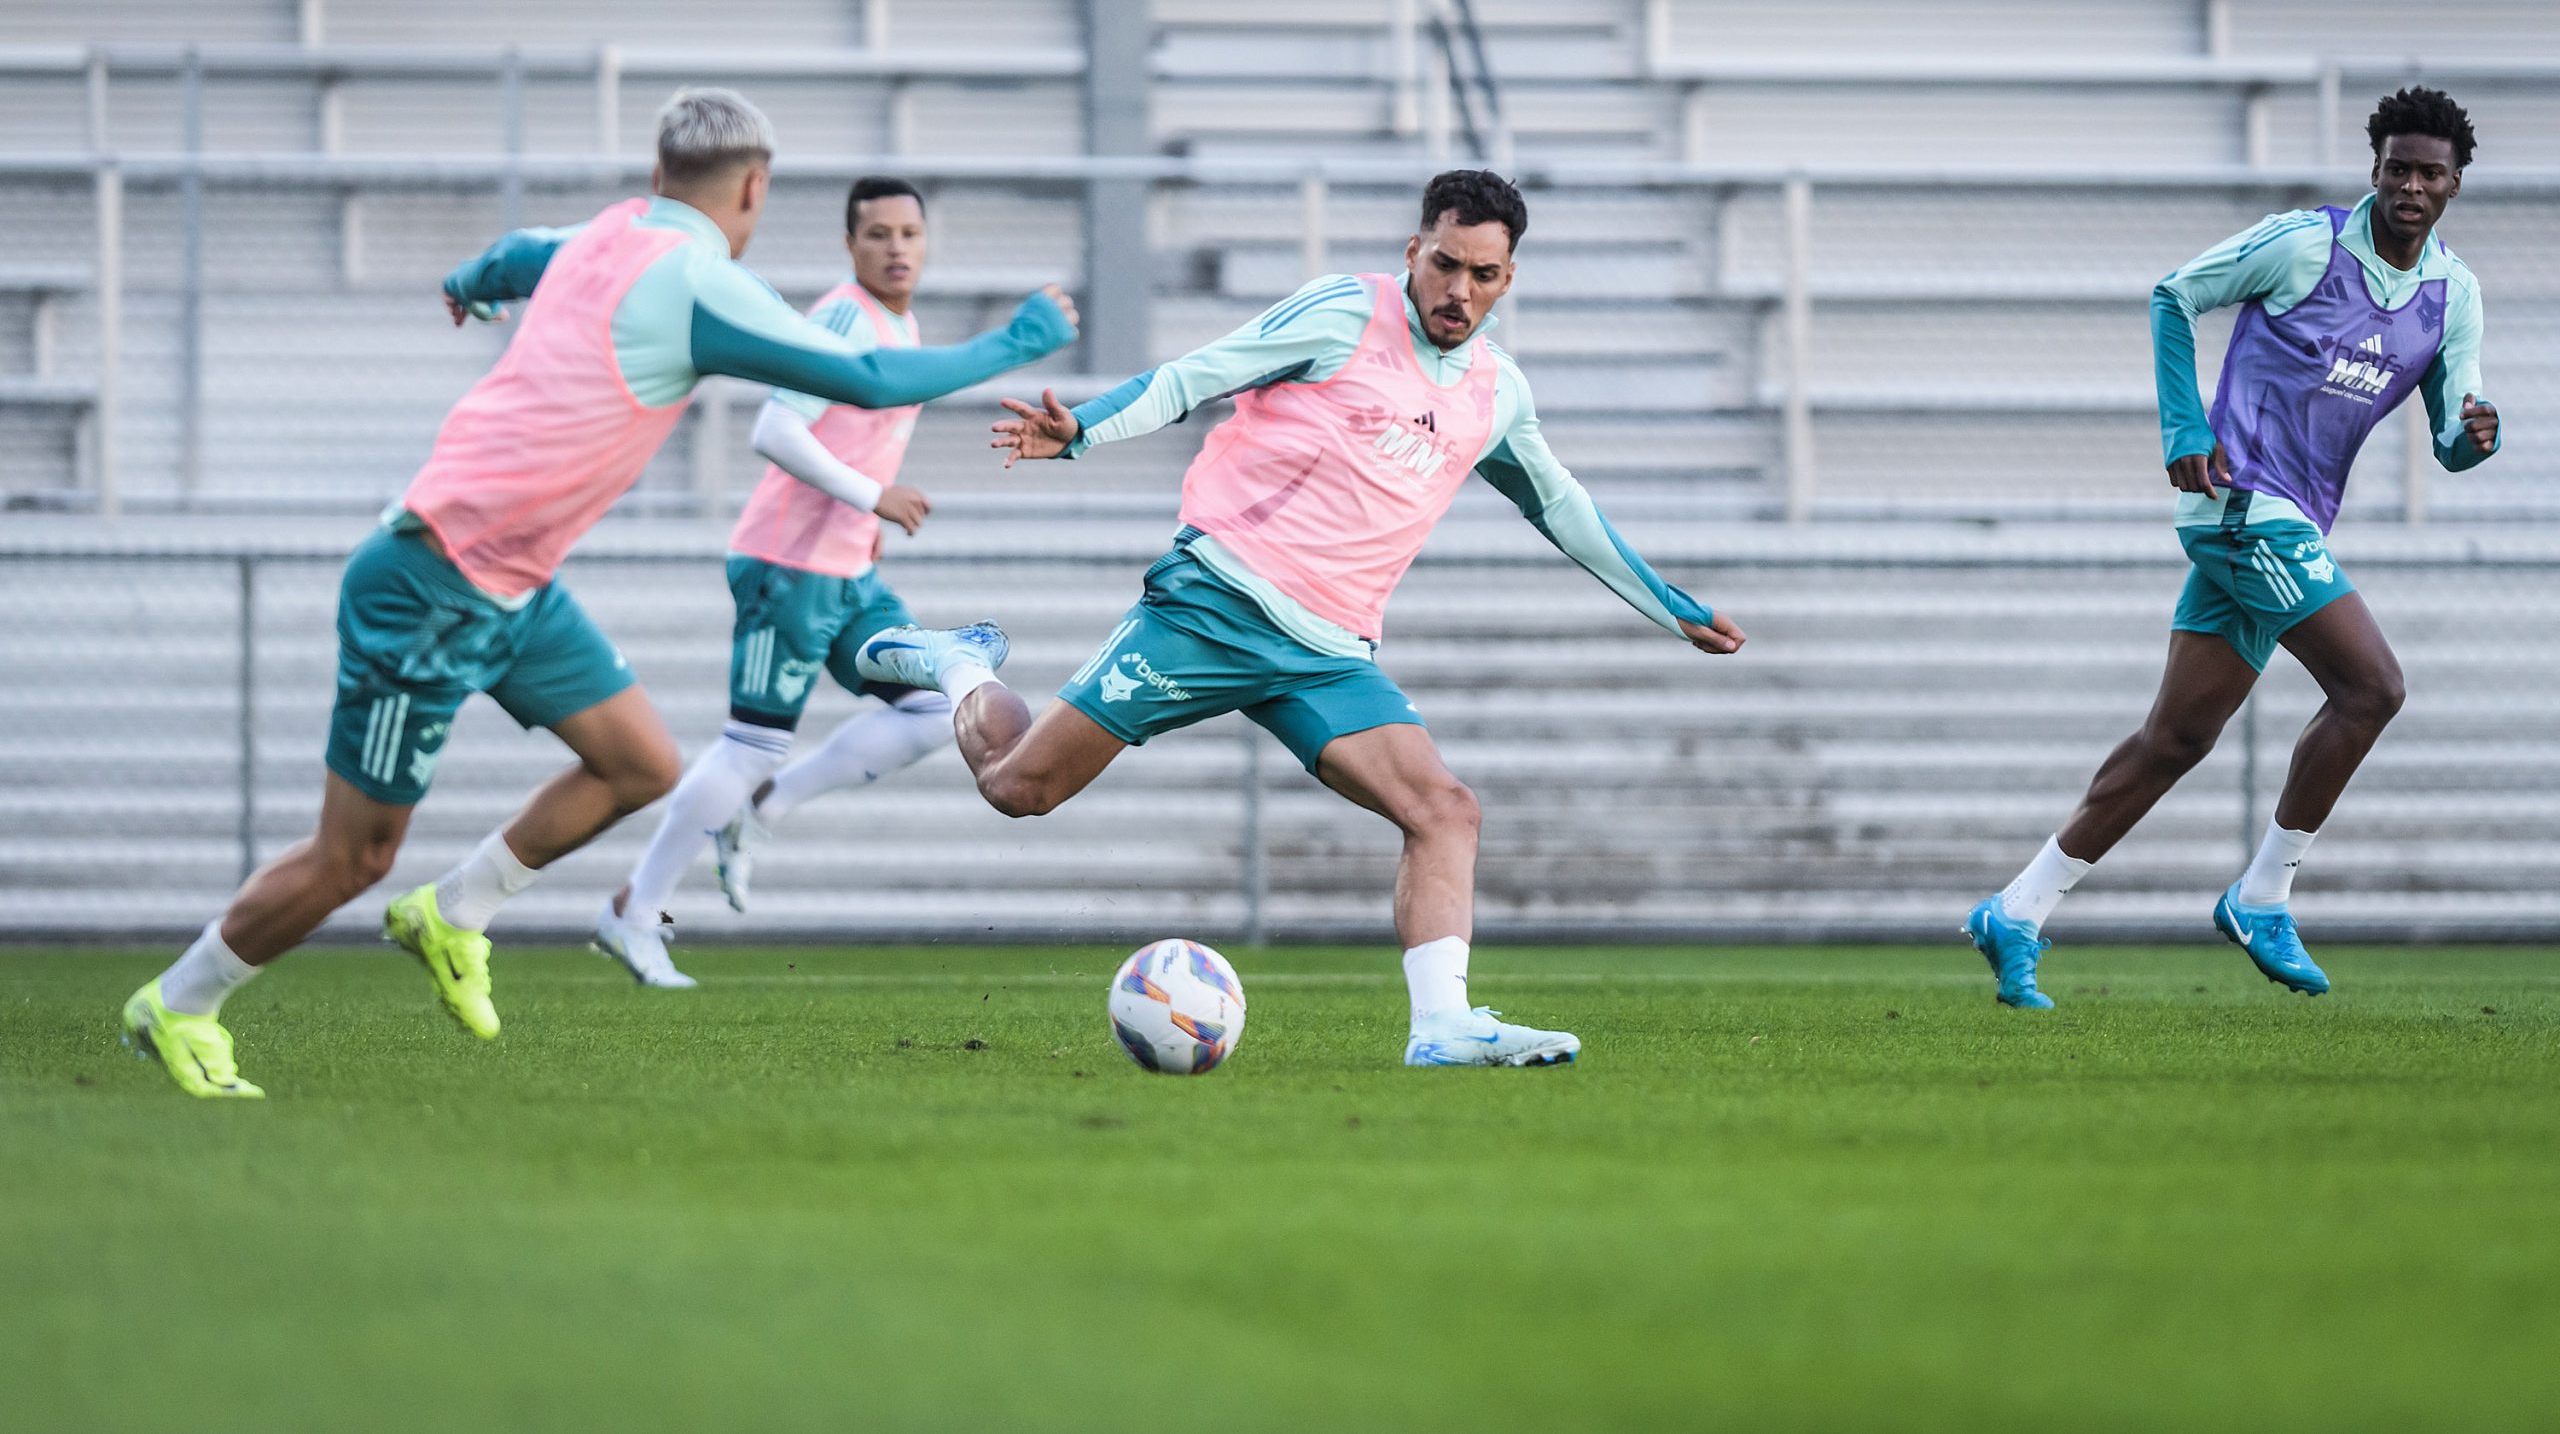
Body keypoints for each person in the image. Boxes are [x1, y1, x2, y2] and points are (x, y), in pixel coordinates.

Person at [121, 90, 1077, 1097]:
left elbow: (521, 250)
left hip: (514, 589)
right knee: (353, 858)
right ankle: (180, 1002)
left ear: (659, 171)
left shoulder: (608, 233)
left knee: (638, 764)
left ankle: (453, 912)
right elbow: (873, 378)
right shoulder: (700, 285)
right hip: (429, 584)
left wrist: (469, 281)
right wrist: (1016, 341)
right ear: (755, 188)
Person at [855, 169, 1746, 1067]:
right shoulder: (1342, 314)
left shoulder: (1495, 392)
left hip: (1328, 654)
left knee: (1446, 810)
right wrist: (1081, 427)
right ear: (1414, 251)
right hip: (1214, 605)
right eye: (1445, 264)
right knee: (1020, 789)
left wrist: (1672, 609)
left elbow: (1562, 506)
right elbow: (1194, 375)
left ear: (1507, 280)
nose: (1458, 289)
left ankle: (1442, 1026)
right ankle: (962, 663)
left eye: (1482, 273)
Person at [1966, 87, 2501, 1008]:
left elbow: (2452, 436)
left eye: (2431, 173)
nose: (2411, 185)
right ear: (2374, 170)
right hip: (2239, 501)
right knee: (2373, 687)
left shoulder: (2453, 296)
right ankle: (2263, 896)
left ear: (2455, 185)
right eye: (2397, 168)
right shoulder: (2303, 244)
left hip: (2291, 522)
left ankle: (2015, 910)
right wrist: (2183, 426)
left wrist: (2472, 437)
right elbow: (2174, 295)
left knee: (2175, 738)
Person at [592, 177, 964, 987]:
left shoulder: (903, 325)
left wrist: (865, 522)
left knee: (940, 708)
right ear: (850, 245)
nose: (897, 246)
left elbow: (856, 439)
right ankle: (632, 912)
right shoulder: (840, 317)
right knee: (750, 742)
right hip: (788, 568)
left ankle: (768, 807)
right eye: (878, 234)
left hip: (849, 571)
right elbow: (774, 426)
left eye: (910, 232)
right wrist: (875, 498)